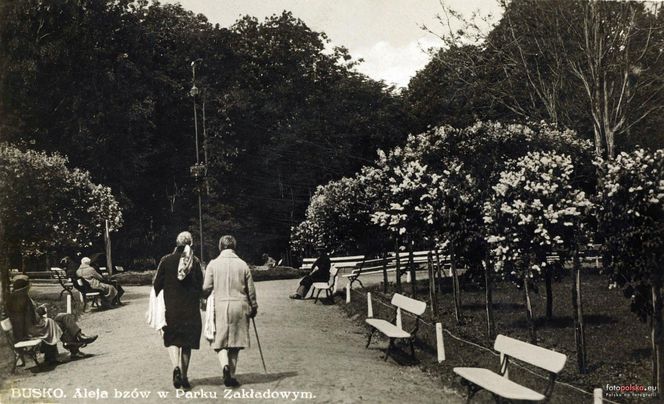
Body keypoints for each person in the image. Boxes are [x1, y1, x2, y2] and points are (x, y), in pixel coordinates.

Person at [203, 235, 258, 388]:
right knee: (235, 342)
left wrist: (202, 299)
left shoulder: (213, 264)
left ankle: (225, 366)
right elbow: (250, 290)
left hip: (220, 307)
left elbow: (206, 288)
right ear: (234, 246)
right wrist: (253, 306)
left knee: (219, 341)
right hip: (239, 306)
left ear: (220, 247)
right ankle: (232, 375)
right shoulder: (243, 265)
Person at [6, 275, 98, 364]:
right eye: (28, 285)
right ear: (24, 287)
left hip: (34, 326)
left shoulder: (19, 297)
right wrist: (41, 310)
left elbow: (30, 314)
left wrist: (40, 308)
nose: (29, 287)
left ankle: (80, 336)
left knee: (64, 316)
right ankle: (75, 349)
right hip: (32, 330)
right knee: (61, 325)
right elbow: (30, 319)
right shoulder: (20, 299)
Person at [153, 231, 203, 390]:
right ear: (191, 243)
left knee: (173, 339)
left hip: (172, 307)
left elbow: (156, 285)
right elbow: (200, 285)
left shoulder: (166, 260)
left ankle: (176, 367)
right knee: (187, 342)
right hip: (190, 308)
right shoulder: (194, 261)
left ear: (177, 243)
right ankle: (185, 376)